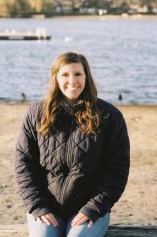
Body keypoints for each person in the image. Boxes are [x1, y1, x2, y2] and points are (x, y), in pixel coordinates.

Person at [14, 52, 130, 237]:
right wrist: (38, 206)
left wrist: (94, 208)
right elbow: (24, 165)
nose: (72, 80)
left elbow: (117, 169)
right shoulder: (35, 114)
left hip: (90, 209)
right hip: (46, 208)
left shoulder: (109, 116)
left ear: (86, 77)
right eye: (65, 75)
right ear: (56, 78)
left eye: (78, 74)